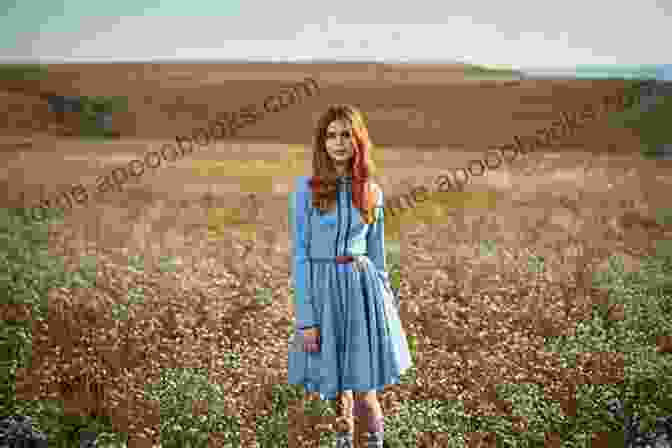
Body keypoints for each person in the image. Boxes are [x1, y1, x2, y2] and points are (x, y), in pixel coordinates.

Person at [287, 104, 412, 447]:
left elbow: (378, 258)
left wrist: (387, 312)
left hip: (363, 293)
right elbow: (300, 256)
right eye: (331, 135)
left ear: (357, 140)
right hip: (324, 296)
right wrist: (306, 320)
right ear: (321, 143)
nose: (338, 142)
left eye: (345, 134)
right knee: (335, 396)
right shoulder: (305, 190)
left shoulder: (372, 192)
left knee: (366, 397)